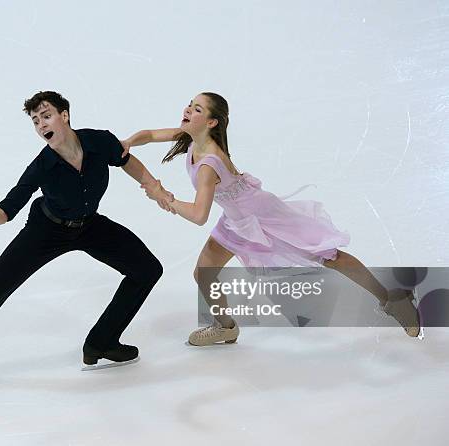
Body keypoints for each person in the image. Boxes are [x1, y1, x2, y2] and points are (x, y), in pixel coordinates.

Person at [0, 90, 173, 388]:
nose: (42, 125)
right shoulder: (41, 167)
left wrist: (153, 186)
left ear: (64, 116)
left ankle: (102, 342)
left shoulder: (98, 141)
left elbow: (125, 159)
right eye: (35, 121)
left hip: (89, 225)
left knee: (147, 269)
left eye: (46, 116)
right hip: (46, 230)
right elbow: (6, 211)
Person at [121, 92, 423, 345]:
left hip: (264, 217)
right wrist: (128, 143)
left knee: (330, 256)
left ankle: (393, 299)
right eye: (190, 104)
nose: (188, 109)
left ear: (211, 122)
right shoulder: (189, 135)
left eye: (197, 109)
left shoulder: (209, 164)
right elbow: (149, 135)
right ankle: (225, 327)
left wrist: (167, 199)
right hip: (237, 221)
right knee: (205, 274)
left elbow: (199, 215)